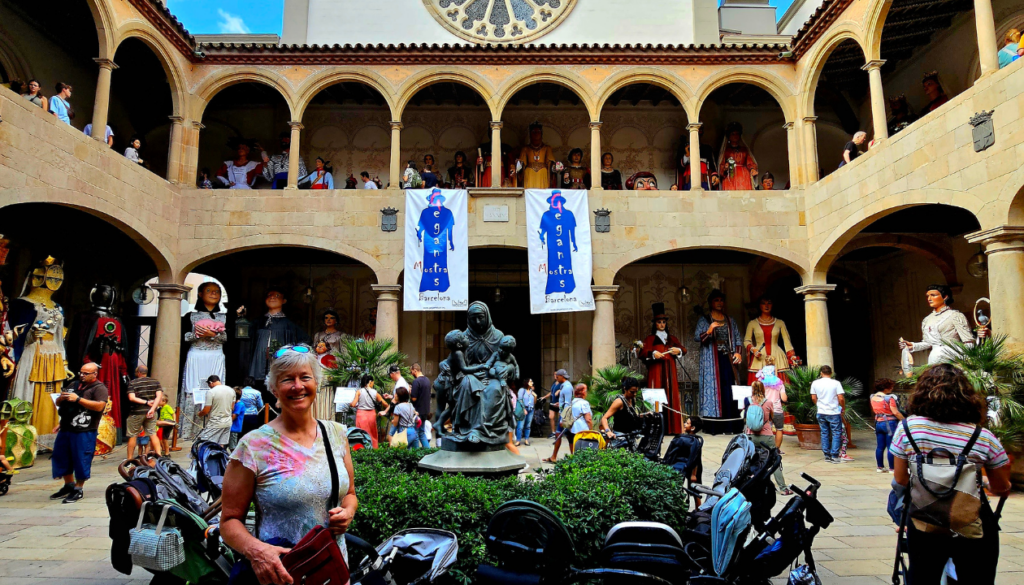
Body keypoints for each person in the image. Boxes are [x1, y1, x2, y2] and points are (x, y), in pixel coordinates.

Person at [221, 346, 357, 585]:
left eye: (305, 377)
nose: (298, 386)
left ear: (317, 383)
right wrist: (257, 552)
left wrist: (348, 512)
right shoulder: (253, 446)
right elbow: (229, 521)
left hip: (332, 569)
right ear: (274, 388)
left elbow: (351, 495)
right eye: (287, 379)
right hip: (282, 573)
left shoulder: (336, 434)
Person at [889, 364, 1011, 585]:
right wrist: (982, 481)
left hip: (923, 520)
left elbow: (900, 479)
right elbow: (1001, 487)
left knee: (922, 578)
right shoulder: (982, 436)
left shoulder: (908, 428)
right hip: (972, 522)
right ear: (967, 397)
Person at [50, 362, 107, 504]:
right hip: (67, 428)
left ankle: (78, 488)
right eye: (81, 372)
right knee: (60, 456)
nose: (82, 375)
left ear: (95, 374)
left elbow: (100, 406)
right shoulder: (73, 384)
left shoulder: (99, 388)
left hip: (85, 430)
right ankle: (68, 484)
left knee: (81, 458)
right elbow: (58, 403)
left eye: (86, 373)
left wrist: (79, 399)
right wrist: (62, 398)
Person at [179, 281, 228, 441]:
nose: (214, 293)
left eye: (217, 291)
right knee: (193, 389)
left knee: (215, 391)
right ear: (200, 294)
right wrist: (200, 334)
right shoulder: (190, 316)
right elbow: (184, 337)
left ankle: (213, 431)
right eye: (209, 290)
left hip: (216, 356)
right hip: (196, 356)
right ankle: (189, 432)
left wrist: (214, 335)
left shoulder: (224, 317)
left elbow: (229, 339)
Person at [694, 289, 743, 434]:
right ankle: (714, 426)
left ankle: (731, 426)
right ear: (710, 303)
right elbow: (697, 337)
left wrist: (738, 354)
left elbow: (738, 338)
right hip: (711, 361)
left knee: (729, 390)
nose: (720, 303)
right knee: (715, 391)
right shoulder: (704, 320)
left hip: (728, 358)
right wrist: (709, 331)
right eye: (716, 300)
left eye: (721, 300)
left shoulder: (730, 320)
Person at [900, 284, 980, 366]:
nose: (929, 299)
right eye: (928, 296)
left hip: (953, 358)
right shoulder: (927, 320)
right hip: (934, 358)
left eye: (933, 295)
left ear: (945, 296)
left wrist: (967, 363)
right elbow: (929, 342)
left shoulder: (955, 315)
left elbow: (968, 341)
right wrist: (913, 345)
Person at [640, 303, 686, 434]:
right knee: (656, 395)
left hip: (670, 370)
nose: (662, 325)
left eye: (664, 322)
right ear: (655, 324)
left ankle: (673, 428)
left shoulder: (672, 338)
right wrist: (653, 353)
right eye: (659, 322)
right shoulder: (650, 339)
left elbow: (683, 349)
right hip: (656, 370)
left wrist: (678, 350)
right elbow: (642, 352)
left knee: (671, 395)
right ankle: (655, 429)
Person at [744, 381, 792, 495]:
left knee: (751, 459)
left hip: (750, 435)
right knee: (774, 459)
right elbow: (771, 417)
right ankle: (783, 488)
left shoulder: (747, 401)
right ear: (763, 389)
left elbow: (745, 415)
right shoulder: (768, 402)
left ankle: (750, 483)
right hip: (766, 435)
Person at [744, 295, 799, 383]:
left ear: (772, 305)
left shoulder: (780, 323)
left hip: (777, 356)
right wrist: (753, 349)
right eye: (763, 303)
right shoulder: (752, 323)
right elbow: (747, 340)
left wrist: (792, 356)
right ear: (759, 306)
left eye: (769, 303)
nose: (766, 306)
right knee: (759, 387)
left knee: (780, 386)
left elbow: (787, 342)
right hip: (760, 357)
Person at [125, 365, 163, 459]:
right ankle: (159, 456)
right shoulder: (155, 382)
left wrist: (146, 402)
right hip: (151, 412)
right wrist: (152, 409)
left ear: (138, 373)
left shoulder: (133, 383)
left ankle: (130, 459)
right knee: (153, 434)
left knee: (132, 435)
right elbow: (159, 397)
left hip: (136, 412)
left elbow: (132, 398)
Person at [546, 384, 591, 461]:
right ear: (583, 392)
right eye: (586, 391)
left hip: (571, 429)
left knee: (573, 447)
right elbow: (588, 419)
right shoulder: (584, 403)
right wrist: (591, 430)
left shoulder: (572, 402)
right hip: (581, 430)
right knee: (583, 451)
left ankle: (574, 460)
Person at [810, 365, 844, 463]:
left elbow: (813, 397)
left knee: (824, 432)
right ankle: (834, 455)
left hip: (821, 411)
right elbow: (841, 398)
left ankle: (826, 454)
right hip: (833, 411)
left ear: (821, 373)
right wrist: (842, 407)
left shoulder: (815, 383)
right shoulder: (836, 383)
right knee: (836, 433)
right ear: (831, 373)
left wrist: (818, 404)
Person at [542, 372, 576, 463]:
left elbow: (568, 403)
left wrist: (564, 418)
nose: (556, 378)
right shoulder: (564, 386)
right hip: (564, 413)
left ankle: (555, 457)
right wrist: (559, 404)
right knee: (568, 436)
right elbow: (565, 402)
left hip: (565, 414)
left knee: (559, 434)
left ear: (562, 376)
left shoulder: (567, 387)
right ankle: (571, 456)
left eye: (557, 377)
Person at [871, 378, 903, 472]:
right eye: (890, 387)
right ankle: (892, 468)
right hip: (890, 423)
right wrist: (904, 421)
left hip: (878, 422)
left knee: (880, 446)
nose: (891, 388)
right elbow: (896, 412)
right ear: (885, 388)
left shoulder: (872, 397)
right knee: (891, 446)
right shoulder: (889, 398)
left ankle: (880, 467)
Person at [350, 374, 390, 448]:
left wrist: (351, 404)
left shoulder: (359, 392)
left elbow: (353, 404)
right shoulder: (375, 392)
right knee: (372, 433)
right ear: (370, 382)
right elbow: (384, 403)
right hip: (371, 415)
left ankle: (361, 448)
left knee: (360, 433)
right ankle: (373, 448)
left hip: (361, 415)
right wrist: (388, 409)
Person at [197, 375, 235, 447]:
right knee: (221, 443)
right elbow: (232, 407)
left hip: (215, 422)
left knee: (205, 442)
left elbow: (206, 410)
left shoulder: (211, 392)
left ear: (211, 382)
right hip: (227, 421)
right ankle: (220, 457)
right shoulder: (231, 390)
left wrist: (199, 414)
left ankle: (207, 457)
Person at [718, 122, 757, 190]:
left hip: (744, 176)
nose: (735, 136)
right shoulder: (725, 151)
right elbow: (721, 165)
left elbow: (750, 162)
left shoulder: (744, 150)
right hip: (730, 176)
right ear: (729, 136)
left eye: (737, 134)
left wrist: (752, 169)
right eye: (733, 134)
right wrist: (725, 168)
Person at [518, 122, 555, 189]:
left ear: (541, 134)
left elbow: (551, 163)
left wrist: (555, 166)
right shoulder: (525, 148)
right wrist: (518, 163)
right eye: (533, 132)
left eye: (538, 131)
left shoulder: (547, 148)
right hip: (529, 174)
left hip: (543, 174)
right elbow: (521, 165)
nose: (536, 134)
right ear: (530, 134)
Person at [409, 363, 432, 447]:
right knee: (422, 432)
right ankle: (428, 450)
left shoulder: (416, 381)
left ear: (415, 370)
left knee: (415, 433)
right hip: (425, 410)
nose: (411, 374)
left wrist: (410, 391)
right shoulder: (427, 380)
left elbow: (414, 398)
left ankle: (416, 453)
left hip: (417, 411)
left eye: (411, 372)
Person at [515, 378, 536, 446]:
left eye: (532, 381)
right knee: (520, 426)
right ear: (526, 382)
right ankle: (518, 440)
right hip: (523, 409)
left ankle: (526, 439)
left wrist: (535, 396)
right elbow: (520, 399)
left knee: (528, 426)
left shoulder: (531, 391)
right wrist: (524, 409)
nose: (532, 382)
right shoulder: (522, 390)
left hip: (531, 409)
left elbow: (534, 402)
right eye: (530, 381)